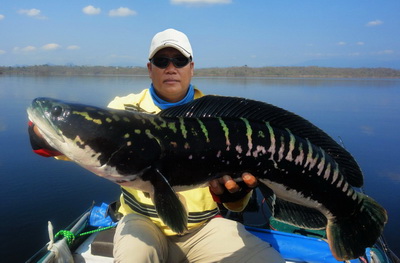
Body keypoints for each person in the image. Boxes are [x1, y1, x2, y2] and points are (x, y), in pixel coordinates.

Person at [29, 28, 284, 263]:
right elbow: (67, 149)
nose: (171, 68)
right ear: (150, 68)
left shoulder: (217, 117)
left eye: (180, 61)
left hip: (205, 227)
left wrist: (236, 196)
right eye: (162, 61)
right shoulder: (124, 109)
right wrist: (40, 135)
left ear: (191, 68)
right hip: (141, 222)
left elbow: (236, 206)